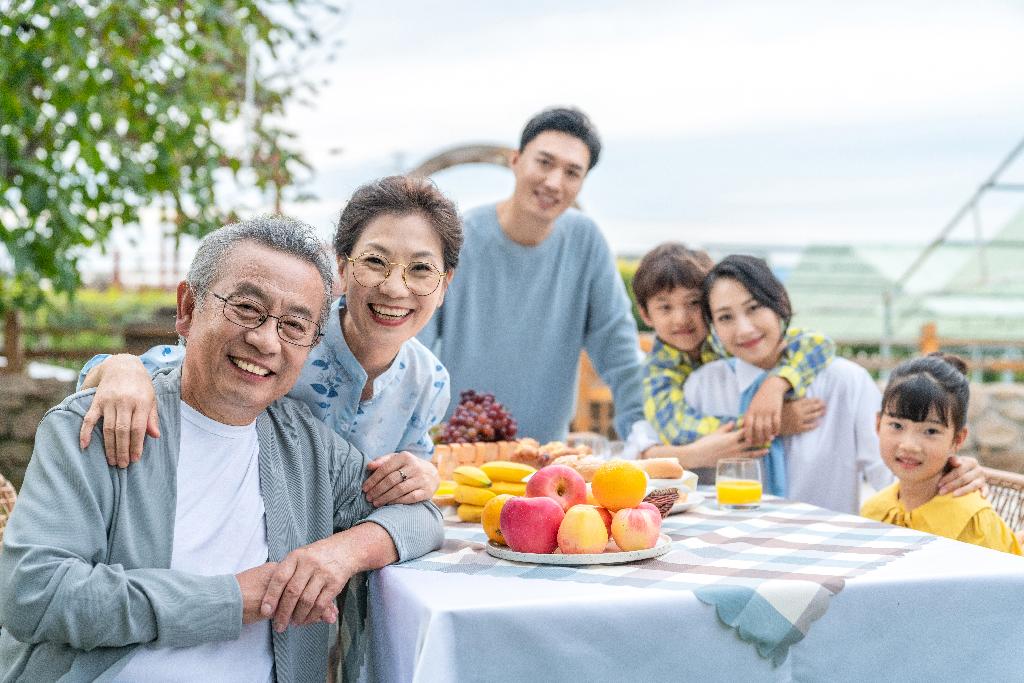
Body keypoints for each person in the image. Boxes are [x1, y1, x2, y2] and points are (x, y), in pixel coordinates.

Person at [0, 216, 444, 681]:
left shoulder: (308, 448)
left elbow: (421, 517)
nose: (265, 340)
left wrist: (342, 554)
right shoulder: (101, 423)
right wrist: (235, 599)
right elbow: (36, 595)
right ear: (188, 309)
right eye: (246, 309)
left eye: (294, 325)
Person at [77, 175, 462, 507]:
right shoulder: (287, 335)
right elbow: (170, 372)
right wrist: (120, 367)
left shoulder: (430, 382)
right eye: (375, 262)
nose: (395, 288)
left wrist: (425, 475)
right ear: (342, 269)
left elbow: (413, 470)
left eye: (421, 269)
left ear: (444, 284)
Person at [418, 107, 650, 448]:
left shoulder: (586, 241)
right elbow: (414, 344)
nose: (554, 182)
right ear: (515, 161)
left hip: (546, 460)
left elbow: (619, 348)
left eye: (572, 172)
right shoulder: (457, 237)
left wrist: (642, 436)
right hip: (459, 454)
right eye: (544, 162)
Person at [684, 255, 985, 514]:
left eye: (754, 308)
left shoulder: (845, 382)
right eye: (725, 317)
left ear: (780, 304)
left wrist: (945, 474)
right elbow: (657, 465)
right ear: (713, 329)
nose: (744, 328)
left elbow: (889, 474)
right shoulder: (703, 387)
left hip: (829, 549)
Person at [632, 242, 833, 474]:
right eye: (665, 308)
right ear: (646, 315)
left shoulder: (731, 338)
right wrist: (768, 423)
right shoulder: (656, 371)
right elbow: (677, 430)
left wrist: (776, 384)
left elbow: (818, 343)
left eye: (693, 303)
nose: (681, 319)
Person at [862, 354, 1021, 555]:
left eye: (930, 431)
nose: (909, 445)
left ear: (957, 440)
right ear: (878, 425)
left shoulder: (973, 523)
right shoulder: (874, 510)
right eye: (897, 425)